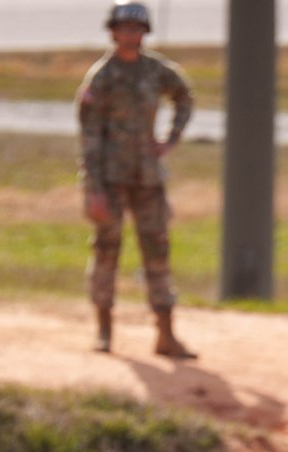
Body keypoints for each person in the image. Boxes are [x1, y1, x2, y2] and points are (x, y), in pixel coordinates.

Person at [77, 1, 195, 360]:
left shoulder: (156, 71)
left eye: (137, 29)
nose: (131, 35)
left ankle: (166, 334)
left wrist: (171, 138)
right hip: (110, 180)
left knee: (157, 252)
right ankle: (104, 329)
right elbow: (89, 137)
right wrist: (93, 189)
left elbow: (184, 96)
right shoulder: (101, 77)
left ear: (145, 33)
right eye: (125, 28)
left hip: (148, 178)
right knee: (106, 252)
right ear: (113, 32)